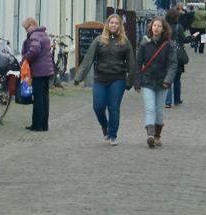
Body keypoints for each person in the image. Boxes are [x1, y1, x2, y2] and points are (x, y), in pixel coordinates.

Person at [74, 14, 136, 146]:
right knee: (98, 107)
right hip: (100, 78)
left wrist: (130, 81)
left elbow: (131, 63)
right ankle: (104, 125)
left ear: (120, 26)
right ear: (107, 24)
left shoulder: (124, 42)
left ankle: (112, 135)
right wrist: (78, 77)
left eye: (116, 23)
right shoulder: (99, 40)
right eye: (111, 22)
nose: (113, 25)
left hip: (117, 78)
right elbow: (88, 59)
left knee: (113, 108)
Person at [134, 17, 177, 148]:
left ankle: (157, 135)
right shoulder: (144, 43)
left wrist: (168, 80)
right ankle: (150, 135)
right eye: (154, 26)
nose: (156, 28)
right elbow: (138, 64)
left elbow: (173, 64)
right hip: (147, 81)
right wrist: (137, 82)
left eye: (159, 26)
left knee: (159, 110)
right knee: (150, 108)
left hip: (162, 82)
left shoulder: (169, 45)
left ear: (163, 29)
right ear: (151, 28)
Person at [21, 17, 55, 131]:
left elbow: (34, 50)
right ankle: (44, 125)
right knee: (44, 98)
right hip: (46, 71)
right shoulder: (43, 34)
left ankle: (37, 125)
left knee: (38, 99)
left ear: (31, 25)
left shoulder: (34, 35)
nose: (26, 30)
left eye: (26, 28)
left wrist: (25, 59)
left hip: (38, 71)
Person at [164, 9, 185, 108]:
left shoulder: (164, 27)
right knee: (177, 78)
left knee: (168, 77)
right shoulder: (178, 27)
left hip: (166, 53)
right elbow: (183, 39)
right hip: (177, 54)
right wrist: (192, 37)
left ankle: (168, 101)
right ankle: (177, 99)